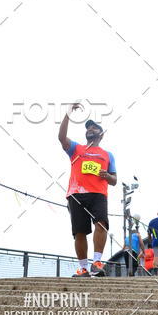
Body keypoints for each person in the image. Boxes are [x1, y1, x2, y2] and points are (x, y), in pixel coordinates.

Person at [58, 104, 117, 277]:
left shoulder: (108, 155)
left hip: (98, 194)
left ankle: (96, 263)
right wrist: (68, 113)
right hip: (76, 194)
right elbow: (61, 137)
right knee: (79, 231)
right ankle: (83, 268)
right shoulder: (76, 148)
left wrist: (107, 175)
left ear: (101, 134)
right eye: (88, 127)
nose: (90, 129)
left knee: (101, 224)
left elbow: (114, 180)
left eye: (94, 127)